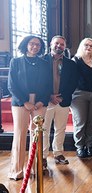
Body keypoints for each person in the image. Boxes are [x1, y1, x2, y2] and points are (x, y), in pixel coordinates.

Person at [8, 36, 52, 180]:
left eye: (38, 45)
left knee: (37, 134)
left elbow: (48, 85)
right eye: (32, 44)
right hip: (20, 102)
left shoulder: (45, 63)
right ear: (26, 45)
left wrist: (41, 101)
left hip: (40, 101)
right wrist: (24, 102)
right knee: (20, 134)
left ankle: (35, 169)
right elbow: (12, 85)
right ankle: (17, 171)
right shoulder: (16, 62)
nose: (35, 47)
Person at [42, 35, 79, 167]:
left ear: (65, 47)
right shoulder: (42, 61)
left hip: (63, 100)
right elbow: (39, 82)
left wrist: (62, 96)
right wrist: (49, 96)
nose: (59, 46)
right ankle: (43, 156)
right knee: (44, 129)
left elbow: (73, 82)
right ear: (51, 44)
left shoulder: (71, 64)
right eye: (57, 43)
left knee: (60, 128)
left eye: (62, 44)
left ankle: (58, 153)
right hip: (46, 101)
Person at [70, 38, 92, 158]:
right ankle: (79, 147)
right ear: (82, 46)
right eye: (86, 45)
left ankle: (89, 146)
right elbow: (71, 79)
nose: (89, 47)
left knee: (91, 122)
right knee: (80, 121)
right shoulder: (76, 60)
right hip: (79, 95)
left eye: (91, 46)